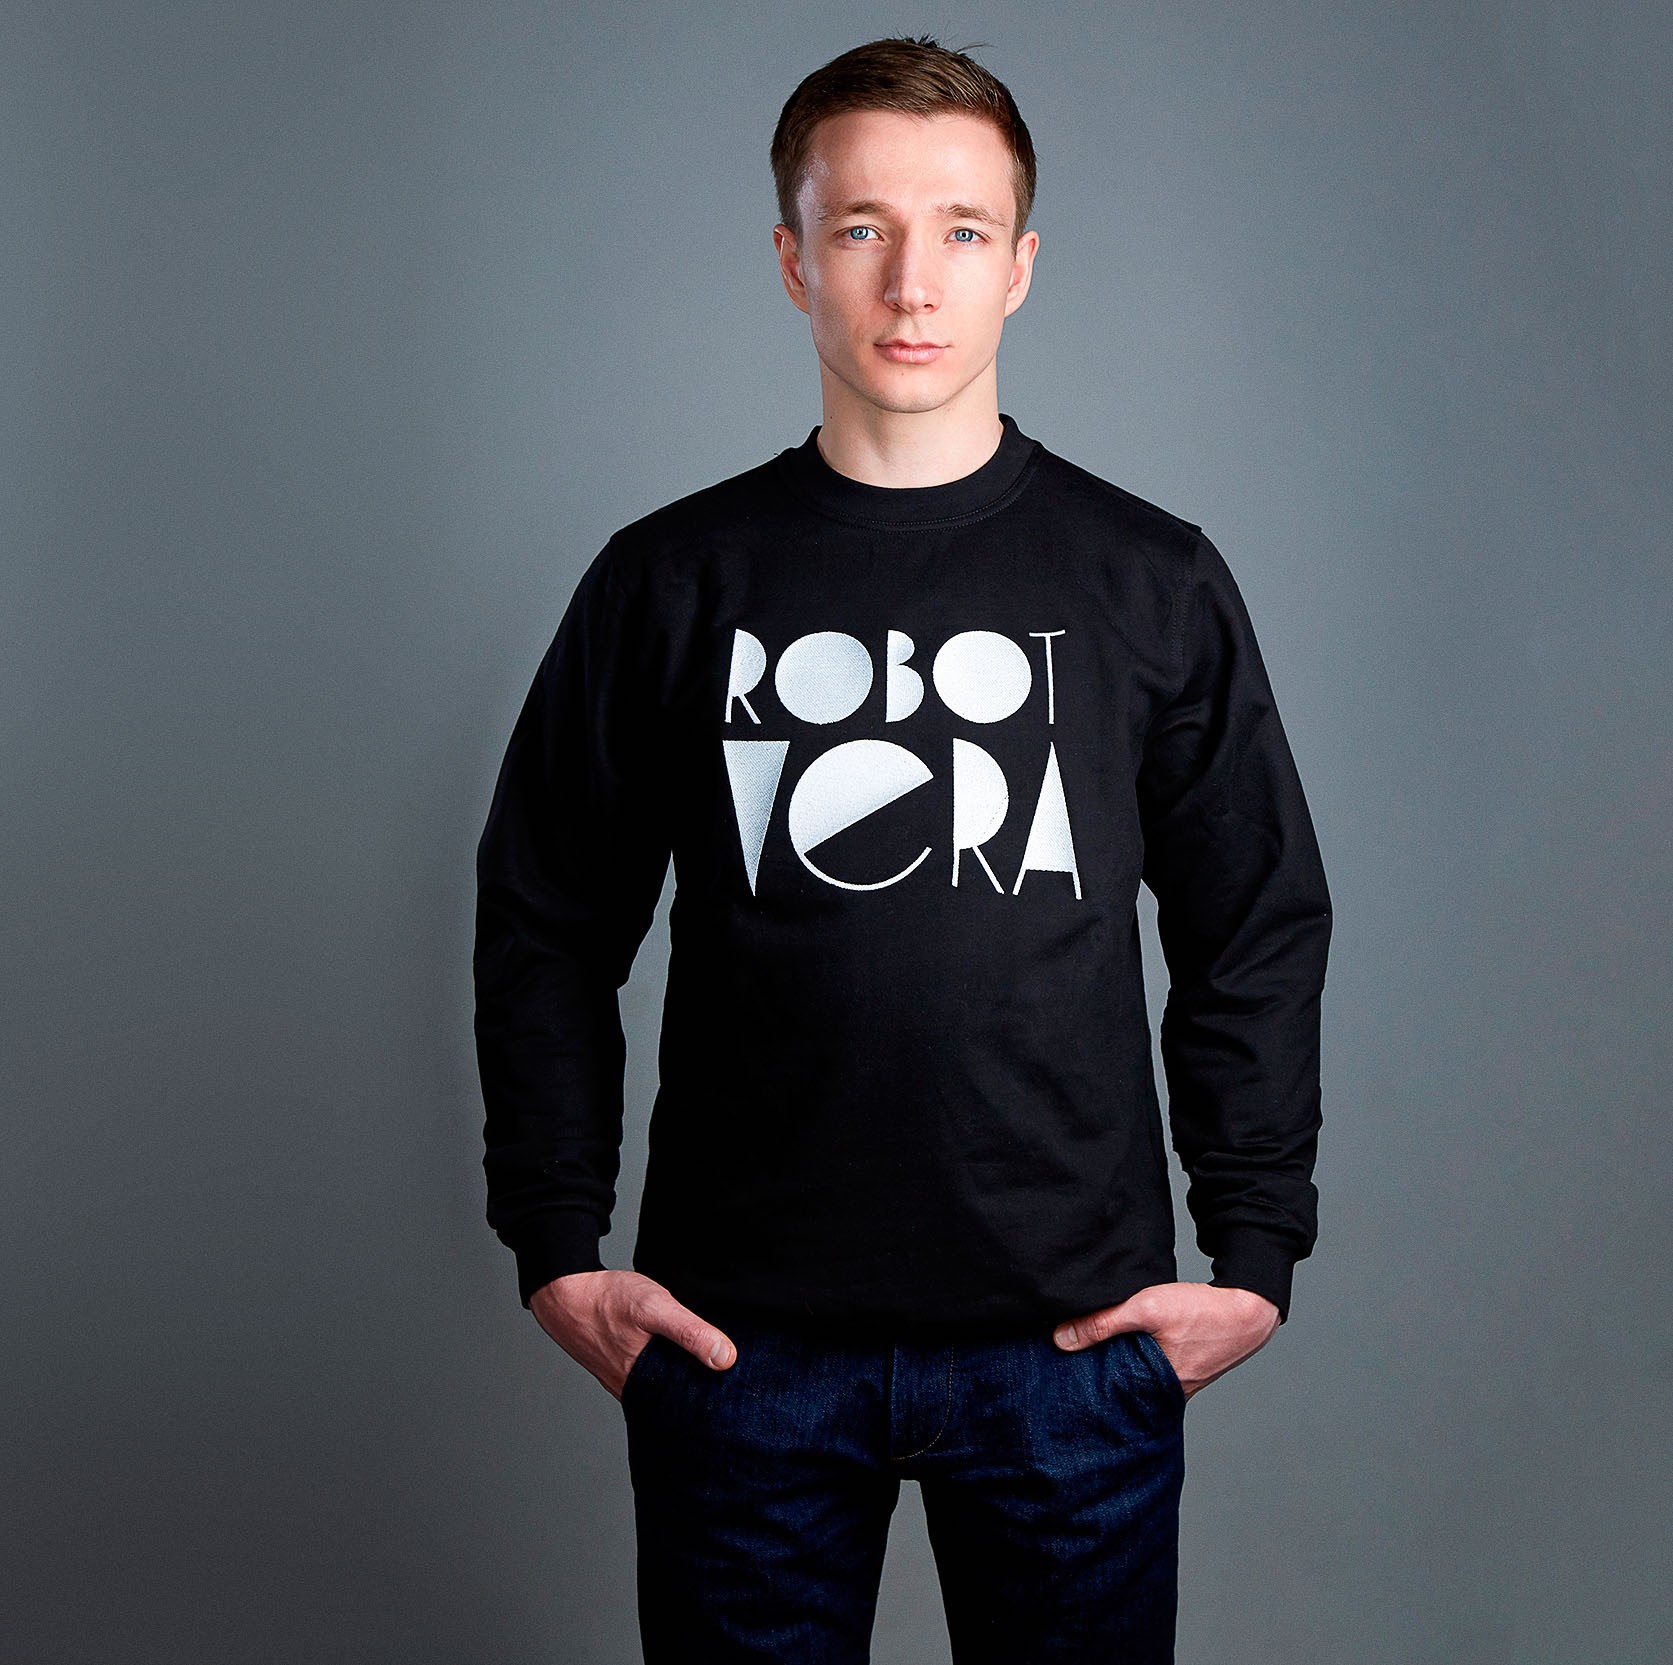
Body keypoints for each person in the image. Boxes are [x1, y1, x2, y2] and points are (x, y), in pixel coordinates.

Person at [473, 33, 1331, 1664]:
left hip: (1072, 1347)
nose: (910, 281)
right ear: (792, 259)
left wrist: (1255, 1249)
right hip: (739, 1351)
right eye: (861, 227)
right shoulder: (670, 580)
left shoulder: (1147, 577)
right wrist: (556, 1246)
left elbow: (1254, 917)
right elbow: (546, 915)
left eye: (959, 229)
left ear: (1021, 266)